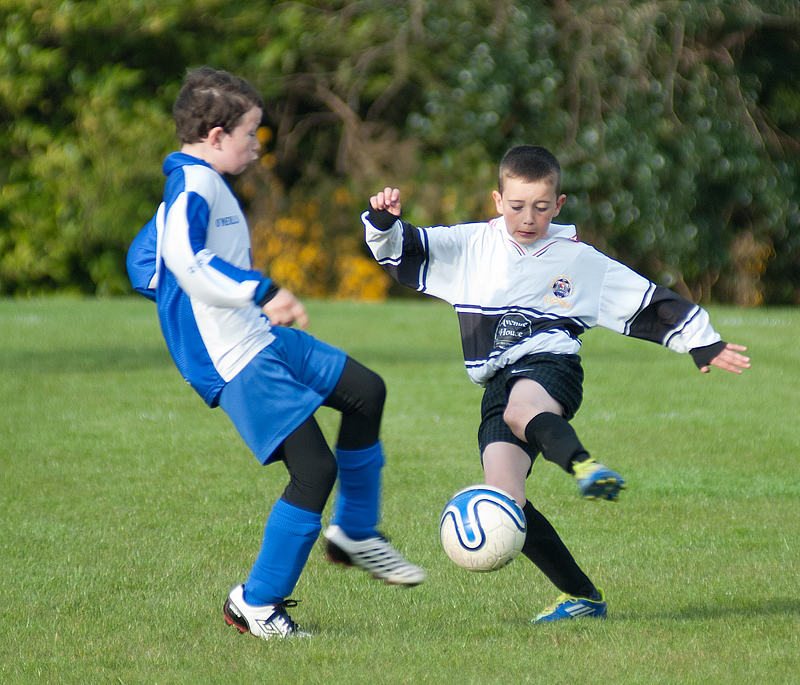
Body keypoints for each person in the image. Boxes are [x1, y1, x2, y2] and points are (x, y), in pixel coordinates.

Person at [363, 144, 750, 623]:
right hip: (497, 381)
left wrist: (700, 341)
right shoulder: (472, 245)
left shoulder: (579, 260)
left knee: (521, 411)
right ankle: (584, 597)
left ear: (559, 204)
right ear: (497, 200)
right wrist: (384, 223)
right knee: (506, 499)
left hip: (552, 364)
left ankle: (583, 465)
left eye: (541, 207)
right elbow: (408, 249)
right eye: (517, 206)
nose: (528, 218)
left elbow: (644, 300)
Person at [126, 66, 425, 640]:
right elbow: (186, 262)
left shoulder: (196, 184)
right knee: (314, 471)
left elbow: (146, 262)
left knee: (366, 392)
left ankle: (355, 533)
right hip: (235, 356)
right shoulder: (192, 187)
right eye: (251, 133)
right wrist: (258, 291)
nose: (258, 146)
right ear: (216, 136)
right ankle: (256, 603)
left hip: (257, 334)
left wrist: (189, 296)